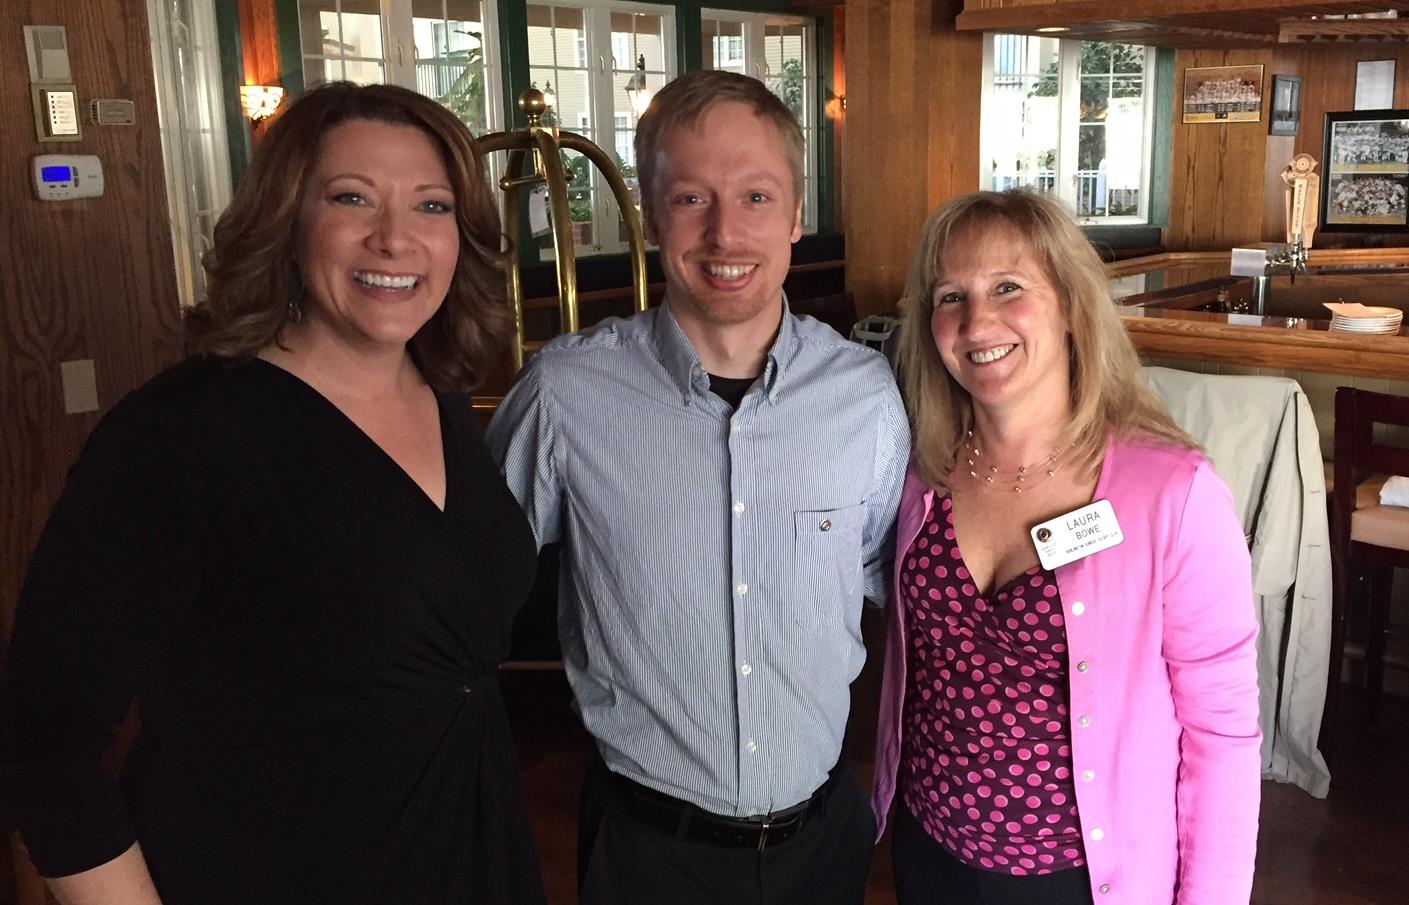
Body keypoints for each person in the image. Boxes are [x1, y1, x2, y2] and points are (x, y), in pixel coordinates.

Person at [0, 82, 544, 905]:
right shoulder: (183, 434)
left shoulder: (439, 396)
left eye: (430, 206)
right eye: (351, 197)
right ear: (287, 223)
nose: (395, 237)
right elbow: (44, 744)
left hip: (467, 851)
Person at [486, 69, 909, 905]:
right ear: (650, 215)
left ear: (794, 214)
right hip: (647, 852)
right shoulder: (563, 394)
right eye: (689, 198)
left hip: (823, 841)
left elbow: (888, 575)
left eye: (755, 196)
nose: (725, 232)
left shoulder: (864, 396)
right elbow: (466, 583)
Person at [872, 189, 1261, 904]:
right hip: (927, 850)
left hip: (1082, 880)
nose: (976, 321)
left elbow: (1222, 733)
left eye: (1008, 287)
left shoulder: (1173, 492)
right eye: (951, 296)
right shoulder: (919, 470)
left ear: (1072, 307)